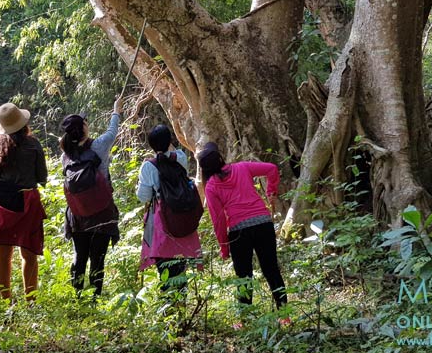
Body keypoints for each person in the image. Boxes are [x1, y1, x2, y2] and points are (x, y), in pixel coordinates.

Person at [198, 142, 288, 311]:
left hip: (239, 232)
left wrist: (224, 248)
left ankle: (246, 317)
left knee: (244, 276)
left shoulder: (211, 186)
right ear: (220, 157)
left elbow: (219, 221)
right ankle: (285, 314)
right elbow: (271, 169)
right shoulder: (242, 167)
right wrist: (271, 191)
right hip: (263, 223)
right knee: (271, 270)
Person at [0, 102, 48, 301]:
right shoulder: (33, 144)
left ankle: (5, 301)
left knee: (2, 254)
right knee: (29, 254)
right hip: (26, 201)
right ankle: (31, 301)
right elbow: (41, 177)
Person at [59, 99, 122, 298]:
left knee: (80, 255)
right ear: (84, 129)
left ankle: (77, 295)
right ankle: (96, 296)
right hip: (102, 211)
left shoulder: (66, 156)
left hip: (77, 214)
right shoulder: (98, 147)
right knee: (98, 257)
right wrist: (116, 111)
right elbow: (112, 133)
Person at [136, 125, 202, 291]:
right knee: (181, 272)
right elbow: (172, 154)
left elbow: (143, 197)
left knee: (165, 272)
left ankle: (171, 311)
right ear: (170, 141)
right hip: (182, 218)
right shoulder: (180, 157)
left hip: (163, 222)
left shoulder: (148, 167)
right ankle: (182, 309)